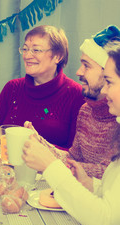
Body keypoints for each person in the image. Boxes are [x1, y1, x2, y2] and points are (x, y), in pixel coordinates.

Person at [22, 39, 120, 225]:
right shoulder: (87, 111)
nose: (78, 72)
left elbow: (104, 222)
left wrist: (50, 165)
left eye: (110, 82)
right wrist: (43, 144)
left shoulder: (115, 122)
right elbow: (110, 186)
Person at [25, 26, 120, 179]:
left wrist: (49, 162)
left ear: (107, 72)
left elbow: (109, 175)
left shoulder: (116, 118)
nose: (79, 72)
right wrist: (39, 141)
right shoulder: (86, 110)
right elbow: (72, 158)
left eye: (86, 66)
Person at [0, 25, 85, 149]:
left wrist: (37, 148)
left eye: (36, 50)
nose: (27, 56)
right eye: (25, 49)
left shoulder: (76, 94)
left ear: (58, 56)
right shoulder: (12, 88)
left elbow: (75, 155)